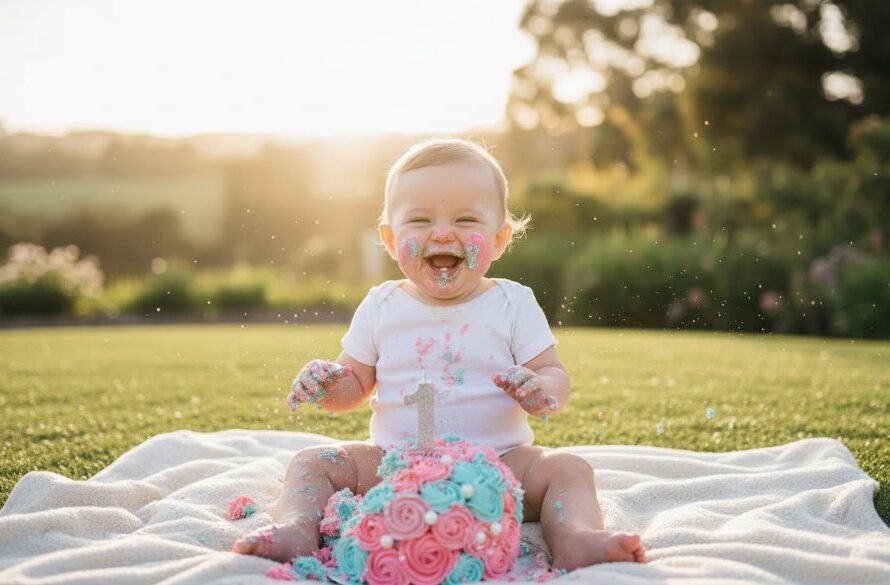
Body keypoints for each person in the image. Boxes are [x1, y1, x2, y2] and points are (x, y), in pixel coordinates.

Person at [233, 137, 646, 570]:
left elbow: (552, 373)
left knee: (568, 468)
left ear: (500, 238)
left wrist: (540, 388)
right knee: (314, 462)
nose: (443, 232)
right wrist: (329, 382)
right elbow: (353, 388)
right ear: (391, 240)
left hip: (500, 468)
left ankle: (578, 538)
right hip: (394, 468)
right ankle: (295, 529)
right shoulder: (381, 305)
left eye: (466, 219)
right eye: (420, 219)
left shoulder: (512, 303)